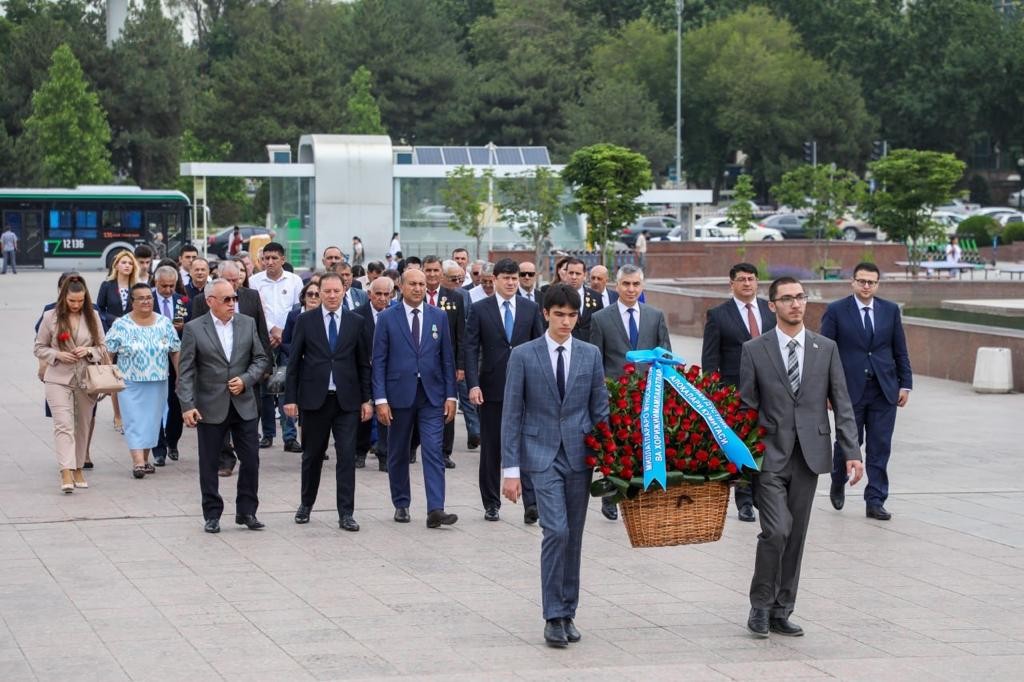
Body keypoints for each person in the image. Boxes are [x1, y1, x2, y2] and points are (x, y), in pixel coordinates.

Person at [739, 276, 863, 638]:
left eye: (800, 297)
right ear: (772, 305)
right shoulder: (754, 350)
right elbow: (746, 407)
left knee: (796, 536)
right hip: (769, 457)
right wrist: (741, 457)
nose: (796, 304)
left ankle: (782, 609)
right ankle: (760, 606)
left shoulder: (826, 348)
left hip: (810, 456)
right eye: (787, 298)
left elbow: (842, 402)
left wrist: (852, 451)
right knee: (777, 531)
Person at [500, 283, 609, 648]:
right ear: (545, 314)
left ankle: (567, 612)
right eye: (559, 314)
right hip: (541, 455)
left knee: (574, 537)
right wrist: (510, 471)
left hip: (580, 456)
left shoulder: (590, 354)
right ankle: (551, 615)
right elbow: (511, 414)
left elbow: (600, 410)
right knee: (556, 531)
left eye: (572, 315)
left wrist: (613, 460)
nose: (565, 321)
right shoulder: (524, 355)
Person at [820, 262, 912, 521]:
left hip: (884, 389)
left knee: (880, 446)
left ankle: (875, 500)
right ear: (853, 282)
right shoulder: (837, 310)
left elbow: (900, 349)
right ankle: (838, 481)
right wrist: (826, 390)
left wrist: (905, 384)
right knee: (848, 443)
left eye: (871, 282)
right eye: (862, 281)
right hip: (848, 390)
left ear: (877, 284)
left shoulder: (890, 310)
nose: (866, 286)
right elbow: (825, 351)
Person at [178, 279, 270, 533]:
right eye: (226, 299)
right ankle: (212, 514)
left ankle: (247, 512)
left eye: (234, 298)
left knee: (251, 460)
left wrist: (246, 379)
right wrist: (187, 405)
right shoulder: (194, 329)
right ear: (210, 302)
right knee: (209, 463)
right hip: (209, 405)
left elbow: (261, 358)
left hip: (244, 404)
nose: (232, 303)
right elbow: (185, 371)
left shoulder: (247, 323)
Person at [284, 272, 372, 531]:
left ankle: (346, 512)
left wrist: (367, 399)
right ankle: (306, 504)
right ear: (318, 293)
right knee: (312, 456)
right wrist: (290, 398)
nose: (332, 296)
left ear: (344, 291)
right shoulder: (305, 321)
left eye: (336, 291)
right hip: (314, 400)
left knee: (346, 456)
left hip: (347, 401)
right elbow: (293, 364)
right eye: (327, 291)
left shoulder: (356, 322)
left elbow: (363, 364)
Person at [372, 268, 458, 528]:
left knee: (433, 450)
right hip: (398, 396)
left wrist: (451, 395)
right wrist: (380, 400)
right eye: (413, 284)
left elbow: (447, 358)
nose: (418, 288)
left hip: (432, 396)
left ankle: (436, 509)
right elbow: (379, 361)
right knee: (398, 451)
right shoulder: (388, 317)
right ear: (401, 285)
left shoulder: (438, 316)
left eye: (422, 284)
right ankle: (401, 502)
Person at [589, 264, 671, 521]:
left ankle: (639, 491)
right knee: (614, 444)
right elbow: (596, 358)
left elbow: (665, 354)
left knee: (644, 444)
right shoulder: (601, 318)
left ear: (642, 286)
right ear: (616, 285)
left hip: (648, 392)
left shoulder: (655, 315)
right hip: (614, 394)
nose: (631, 289)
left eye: (636, 284)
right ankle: (611, 495)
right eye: (626, 284)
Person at [466, 258, 544, 523]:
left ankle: (531, 503)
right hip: (492, 389)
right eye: (506, 278)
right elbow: (470, 348)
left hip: (528, 389)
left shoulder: (531, 308)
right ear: (495, 279)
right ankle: (491, 503)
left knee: (529, 446)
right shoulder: (479, 309)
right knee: (491, 448)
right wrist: (473, 384)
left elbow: (539, 346)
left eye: (515, 278)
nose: (512, 282)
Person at [700, 262, 776, 523]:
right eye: (742, 279)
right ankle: (743, 500)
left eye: (751, 279)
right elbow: (710, 360)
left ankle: (762, 494)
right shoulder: (718, 315)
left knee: (767, 442)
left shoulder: (770, 310)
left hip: (770, 390)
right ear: (731, 283)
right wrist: (713, 393)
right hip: (734, 393)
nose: (747, 283)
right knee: (741, 444)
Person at [190, 261, 272, 476]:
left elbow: (261, 335)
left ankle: (246, 508)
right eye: (228, 282)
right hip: (212, 391)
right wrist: (188, 403)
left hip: (245, 383)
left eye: (236, 281)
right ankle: (225, 459)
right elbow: (194, 346)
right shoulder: (201, 302)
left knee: (250, 452)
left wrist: (255, 375)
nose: (233, 289)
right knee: (214, 443)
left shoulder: (251, 298)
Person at [34, 278, 106, 492]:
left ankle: (78, 468)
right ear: (63, 297)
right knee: (63, 424)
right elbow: (39, 347)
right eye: (72, 301)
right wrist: (57, 354)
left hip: (86, 379)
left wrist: (89, 351)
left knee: (83, 425)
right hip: (58, 377)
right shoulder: (50, 317)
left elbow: (103, 346)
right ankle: (65, 470)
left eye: (80, 301)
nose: (76, 305)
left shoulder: (92, 315)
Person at [104, 283, 181, 479]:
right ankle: (137, 461)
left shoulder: (164, 323)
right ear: (132, 302)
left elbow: (175, 351)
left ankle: (145, 459)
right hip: (129, 381)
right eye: (141, 298)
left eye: (149, 297)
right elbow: (108, 352)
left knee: (152, 422)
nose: (147, 301)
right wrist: (108, 374)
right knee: (133, 420)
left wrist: (180, 376)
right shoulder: (121, 325)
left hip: (158, 381)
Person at [249, 242, 303, 450]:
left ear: (282, 259)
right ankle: (268, 433)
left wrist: (283, 333)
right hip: (264, 340)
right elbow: (257, 310)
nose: (269, 262)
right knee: (265, 386)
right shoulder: (254, 281)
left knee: (287, 385)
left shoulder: (294, 280)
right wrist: (271, 330)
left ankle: (290, 436)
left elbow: (298, 308)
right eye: (266, 258)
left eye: (274, 258)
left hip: (289, 339)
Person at [421, 255, 466, 469]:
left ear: (441, 273)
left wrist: (460, 366)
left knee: (447, 406)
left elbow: (460, 336)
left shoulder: (454, 298)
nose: (431, 274)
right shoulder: (414, 295)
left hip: (445, 363)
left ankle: (444, 452)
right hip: (419, 363)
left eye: (435, 270)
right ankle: (413, 446)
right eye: (427, 270)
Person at [150, 266, 191, 466]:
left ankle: (172, 441)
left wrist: (184, 327)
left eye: (171, 286)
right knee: (155, 403)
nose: (167, 290)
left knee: (176, 401)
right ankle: (158, 448)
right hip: (153, 359)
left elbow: (193, 324)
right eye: (163, 286)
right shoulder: (146, 300)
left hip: (178, 357)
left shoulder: (182, 301)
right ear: (155, 282)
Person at [354, 276, 394, 471]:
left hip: (389, 373)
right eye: (378, 294)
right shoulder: (356, 316)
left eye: (387, 294)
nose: (382, 298)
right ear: (369, 294)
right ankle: (360, 451)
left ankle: (384, 454)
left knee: (386, 413)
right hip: (363, 371)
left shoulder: (396, 314)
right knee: (364, 413)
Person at [562, 257, 602, 342]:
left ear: (584, 275)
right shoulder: (557, 295)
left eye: (578, 273)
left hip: (590, 345)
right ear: (566, 274)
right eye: (571, 273)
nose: (574, 277)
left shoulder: (596, 297)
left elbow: (600, 326)